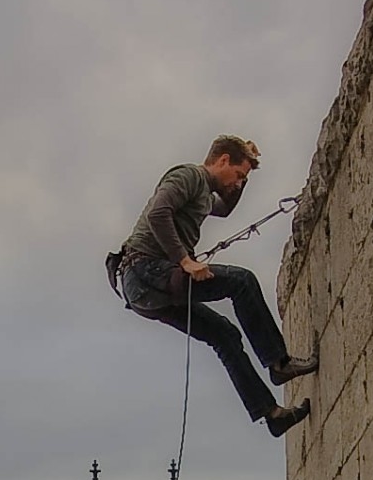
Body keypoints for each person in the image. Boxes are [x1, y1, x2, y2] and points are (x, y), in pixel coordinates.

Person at [109, 135, 318, 437]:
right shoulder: (190, 176)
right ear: (222, 160)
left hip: (147, 289)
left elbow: (224, 208)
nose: (237, 182)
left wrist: (245, 179)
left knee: (225, 335)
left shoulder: (206, 194)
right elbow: (158, 212)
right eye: (238, 174)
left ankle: (272, 415)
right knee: (242, 282)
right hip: (146, 272)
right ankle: (279, 362)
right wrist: (185, 260)